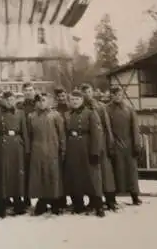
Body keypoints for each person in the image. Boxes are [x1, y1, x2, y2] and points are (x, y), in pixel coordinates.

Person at [63, 90, 105, 217]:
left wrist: (95, 151)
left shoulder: (91, 113)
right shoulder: (67, 115)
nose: (75, 102)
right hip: (72, 149)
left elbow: (97, 134)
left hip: (86, 148)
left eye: (77, 100)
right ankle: (78, 205)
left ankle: (98, 205)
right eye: (72, 100)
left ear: (82, 100)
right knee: (75, 177)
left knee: (92, 178)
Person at [0, 91, 29, 217]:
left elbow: (25, 132)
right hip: (3, 144)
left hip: (17, 145)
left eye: (12, 99)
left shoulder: (20, 113)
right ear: (2, 101)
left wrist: (26, 149)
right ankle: (1, 202)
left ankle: (18, 201)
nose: (9, 102)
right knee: (3, 173)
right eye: (7, 100)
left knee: (17, 173)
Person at [27, 93, 66, 215]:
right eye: (39, 101)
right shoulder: (31, 116)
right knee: (39, 176)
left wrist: (63, 149)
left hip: (52, 149)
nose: (41, 103)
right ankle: (42, 201)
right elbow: (29, 135)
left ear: (48, 101)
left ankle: (55, 201)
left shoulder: (55, 115)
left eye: (44, 100)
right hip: (37, 150)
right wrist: (29, 150)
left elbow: (61, 134)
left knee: (53, 175)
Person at [81, 83, 118, 211]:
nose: (87, 95)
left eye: (89, 91)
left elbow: (107, 126)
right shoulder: (82, 108)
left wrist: (110, 143)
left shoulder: (101, 107)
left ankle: (110, 200)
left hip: (101, 143)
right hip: (88, 144)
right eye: (84, 92)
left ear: (92, 92)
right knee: (92, 174)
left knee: (106, 173)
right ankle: (94, 199)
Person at [107, 86, 143, 206]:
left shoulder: (129, 109)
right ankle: (112, 198)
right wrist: (109, 145)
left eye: (119, 94)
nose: (117, 97)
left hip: (128, 145)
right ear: (111, 96)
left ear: (122, 95)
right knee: (113, 173)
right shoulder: (106, 109)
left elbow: (135, 128)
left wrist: (137, 144)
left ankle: (135, 196)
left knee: (131, 173)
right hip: (114, 145)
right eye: (114, 94)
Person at [18, 82, 36, 208]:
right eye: (26, 90)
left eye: (30, 90)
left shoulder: (39, 104)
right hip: (24, 141)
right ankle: (26, 198)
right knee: (24, 170)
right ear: (23, 92)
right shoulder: (19, 106)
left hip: (38, 140)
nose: (28, 92)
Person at [53, 87, 70, 210]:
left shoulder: (71, 109)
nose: (61, 98)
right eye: (59, 97)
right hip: (58, 143)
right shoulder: (54, 111)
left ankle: (75, 198)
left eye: (63, 96)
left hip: (72, 142)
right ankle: (60, 199)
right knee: (60, 173)